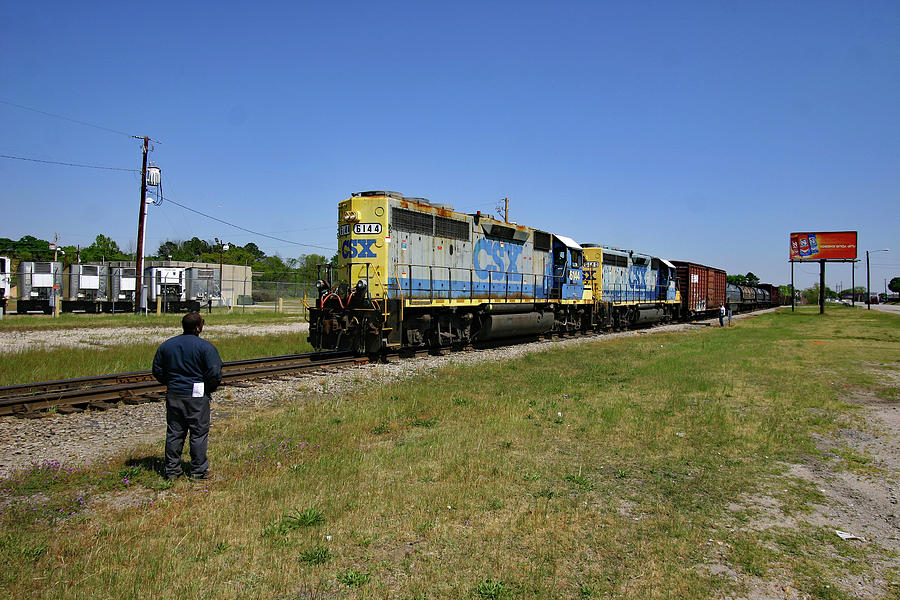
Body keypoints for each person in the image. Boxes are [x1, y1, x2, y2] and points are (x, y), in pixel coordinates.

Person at [153, 312, 223, 480]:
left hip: (174, 394)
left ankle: (172, 471)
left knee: (174, 432)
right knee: (198, 432)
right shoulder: (206, 347)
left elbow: (157, 370)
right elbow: (214, 373)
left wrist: (171, 383)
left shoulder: (167, 346)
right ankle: (198, 471)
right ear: (199, 327)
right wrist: (208, 388)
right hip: (197, 396)